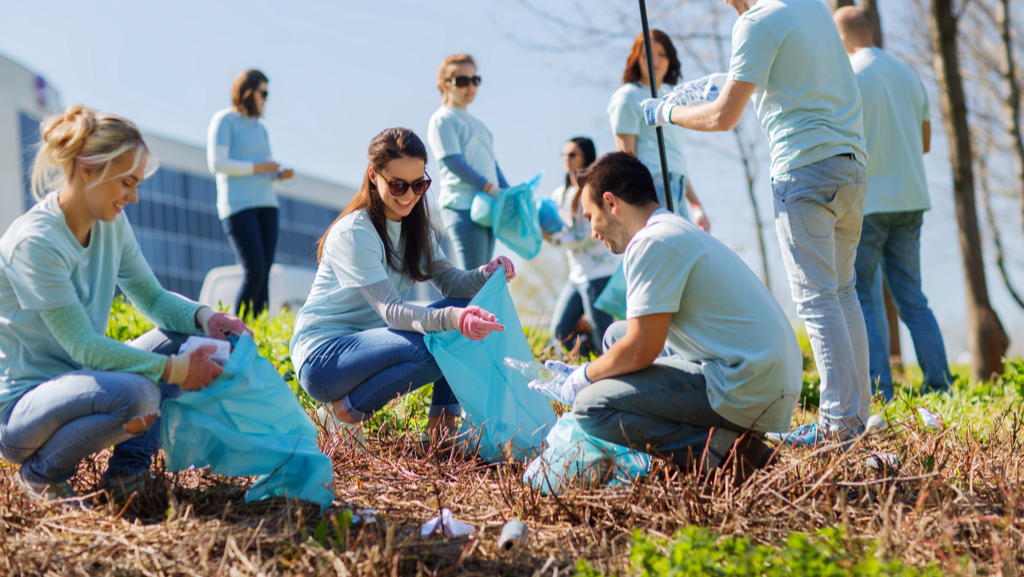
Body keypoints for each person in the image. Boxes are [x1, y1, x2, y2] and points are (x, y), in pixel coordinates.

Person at [643, 0, 870, 446]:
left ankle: (837, 426)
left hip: (803, 171)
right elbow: (782, 78)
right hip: (850, 167)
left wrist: (664, 113)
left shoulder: (756, 22)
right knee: (843, 293)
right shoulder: (811, 8)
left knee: (818, 300)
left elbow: (723, 116)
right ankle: (854, 418)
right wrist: (714, 84)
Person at [0, 106, 252, 505]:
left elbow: (151, 298)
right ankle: (41, 475)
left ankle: (126, 478)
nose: (133, 197)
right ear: (87, 168)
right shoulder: (35, 242)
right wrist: (176, 370)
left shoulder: (111, 224)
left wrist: (208, 318)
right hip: (23, 410)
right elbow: (83, 345)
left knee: (190, 338)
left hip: (86, 380)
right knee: (139, 395)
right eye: (126, 183)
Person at [530, 153, 801, 480]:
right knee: (615, 336)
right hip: (760, 373)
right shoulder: (670, 229)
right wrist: (598, 372)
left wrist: (586, 376)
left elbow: (641, 349)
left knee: (592, 407)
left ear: (611, 202)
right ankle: (714, 444)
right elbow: (632, 342)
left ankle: (730, 453)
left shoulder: (652, 242)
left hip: (748, 384)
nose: (592, 232)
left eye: (590, 217)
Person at [290, 128, 514, 445]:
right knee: (440, 344)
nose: (409, 194)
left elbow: (452, 282)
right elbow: (393, 312)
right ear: (373, 175)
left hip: (371, 347)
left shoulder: (416, 229)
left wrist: (485, 273)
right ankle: (343, 412)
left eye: (419, 184)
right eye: (397, 184)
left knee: (463, 313)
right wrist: (452, 320)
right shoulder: (355, 232)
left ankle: (441, 433)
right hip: (324, 359)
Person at [834, 7, 951, 401]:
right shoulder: (908, 74)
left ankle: (881, 391)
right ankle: (940, 386)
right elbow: (925, 143)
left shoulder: (848, 76)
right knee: (912, 297)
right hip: (912, 200)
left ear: (845, 36)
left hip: (869, 203)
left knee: (862, 294)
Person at [207, 69, 295, 318]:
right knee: (254, 271)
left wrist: (277, 173)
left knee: (264, 273)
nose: (266, 99)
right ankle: (238, 330)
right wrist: (259, 167)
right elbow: (218, 163)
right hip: (238, 206)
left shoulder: (261, 129)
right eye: (263, 93)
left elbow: (265, 167)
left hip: (267, 204)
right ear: (248, 92)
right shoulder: (225, 120)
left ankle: (259, 332)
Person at [607, 30, 709, 230]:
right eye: (647, 55)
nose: (656, 60)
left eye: (662, 54)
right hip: (652, 186)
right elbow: (626, 159)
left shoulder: (672, 100)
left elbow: (675, 160)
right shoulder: (627, 97)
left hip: (677, 186)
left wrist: (696, 205)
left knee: (687, 253)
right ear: (637, 59)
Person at [427, 54, 509, 270]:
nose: (470, 86)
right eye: (462, 80)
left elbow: (493, 165)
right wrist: (490, 187)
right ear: (445, 84)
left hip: (488, 206)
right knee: (472, 281)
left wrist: (508, 192)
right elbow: (452, 161)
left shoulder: (480, 125)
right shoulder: (443, 118)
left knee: (483, 280)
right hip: (462, 206)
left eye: (475, 80)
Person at [546, 137, 620, 357]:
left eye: (572, 155)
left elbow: (592, 232)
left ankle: (611, 375)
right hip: (576, 275)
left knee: (603, 335)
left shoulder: (595, 190)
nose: (566, 159)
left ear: (585, 157)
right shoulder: (559, 194)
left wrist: (558, 240)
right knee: (560, 331)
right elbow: (556, 227)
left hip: (598, 273)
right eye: (564, 155)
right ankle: (592, 367)